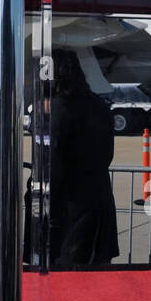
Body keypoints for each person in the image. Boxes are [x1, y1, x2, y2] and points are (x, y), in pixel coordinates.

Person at [47, 49, 118, 266]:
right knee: (96, 269)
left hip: (70, 205)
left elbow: (55, 159)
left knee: (67, 275)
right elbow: (107, 154)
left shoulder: (61, 107)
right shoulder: (98, 104)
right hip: (99, 196)